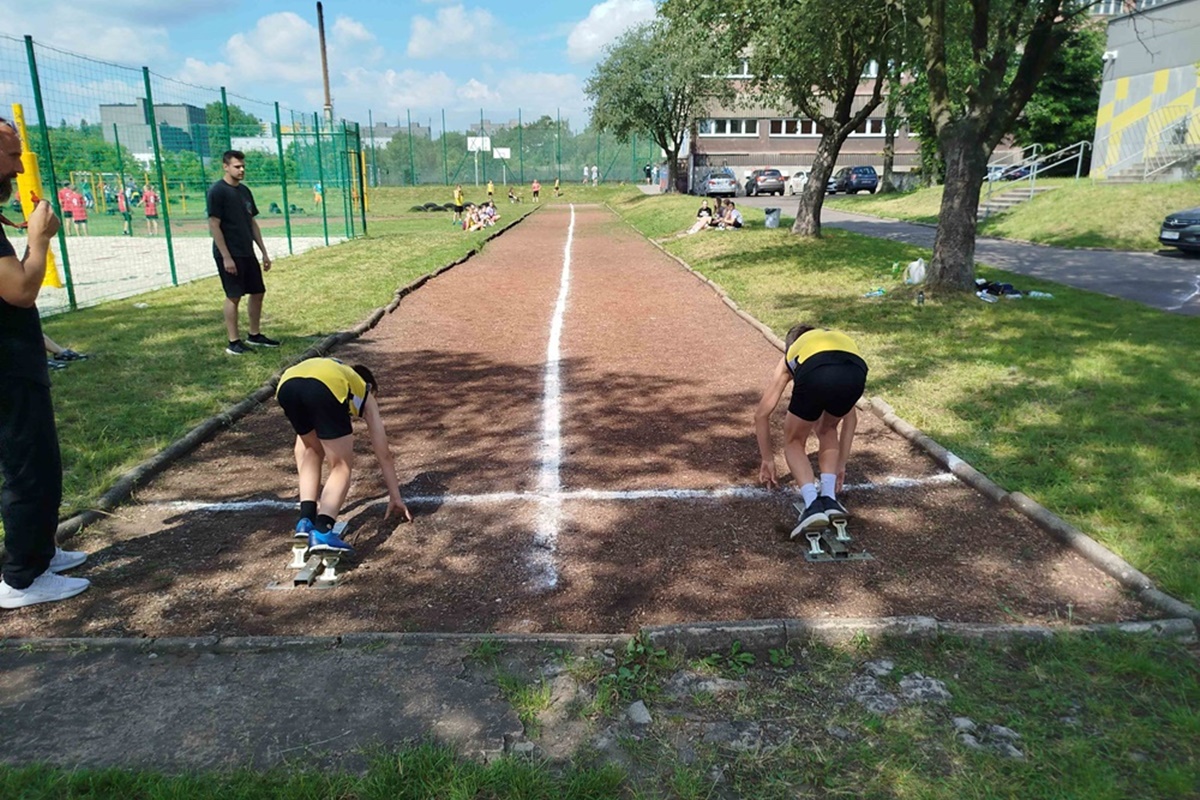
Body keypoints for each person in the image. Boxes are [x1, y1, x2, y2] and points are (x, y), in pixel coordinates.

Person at [0, 117, 90, 609]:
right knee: (25, 467)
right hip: (7, 370)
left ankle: (42, 553)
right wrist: (39, 239)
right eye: (12, 156)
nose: (19, 168)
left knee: (42, 461)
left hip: (19, 361)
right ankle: (21, 579)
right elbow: (20, 289)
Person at [276, 357, 411, 552]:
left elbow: (301, 451)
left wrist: (311, 499)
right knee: (341, 467)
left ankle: (305, 521)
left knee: (312, 451)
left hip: (287, 384)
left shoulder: (335, 371)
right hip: (324, 388)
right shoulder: (363, 390)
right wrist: (396, 497)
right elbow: (384, 453)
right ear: (370, 387)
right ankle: (323, 531)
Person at [755, 323, 868, 539]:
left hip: (816, 370)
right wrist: (841, 463)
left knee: (794, 441)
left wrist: (768, 459)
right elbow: (851, 420)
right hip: (856, 370)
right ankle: (829, 499)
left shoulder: (792, 353)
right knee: (828, 428)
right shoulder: (832, 341)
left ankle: (812, 505)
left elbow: (761, 414)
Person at [207, 149, 278, 356]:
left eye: (243, 166)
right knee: (234, 295)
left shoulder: (245, 191)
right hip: (229, 253)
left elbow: (252, 222)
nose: (241, 170)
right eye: (237, 166)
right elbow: (214, 224)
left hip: (247, 251)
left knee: (258, 291)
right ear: (225, 166)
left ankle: (254, 335)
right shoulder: (217, 191)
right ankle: (233, 342)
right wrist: (226, 256)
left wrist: (263, 252)